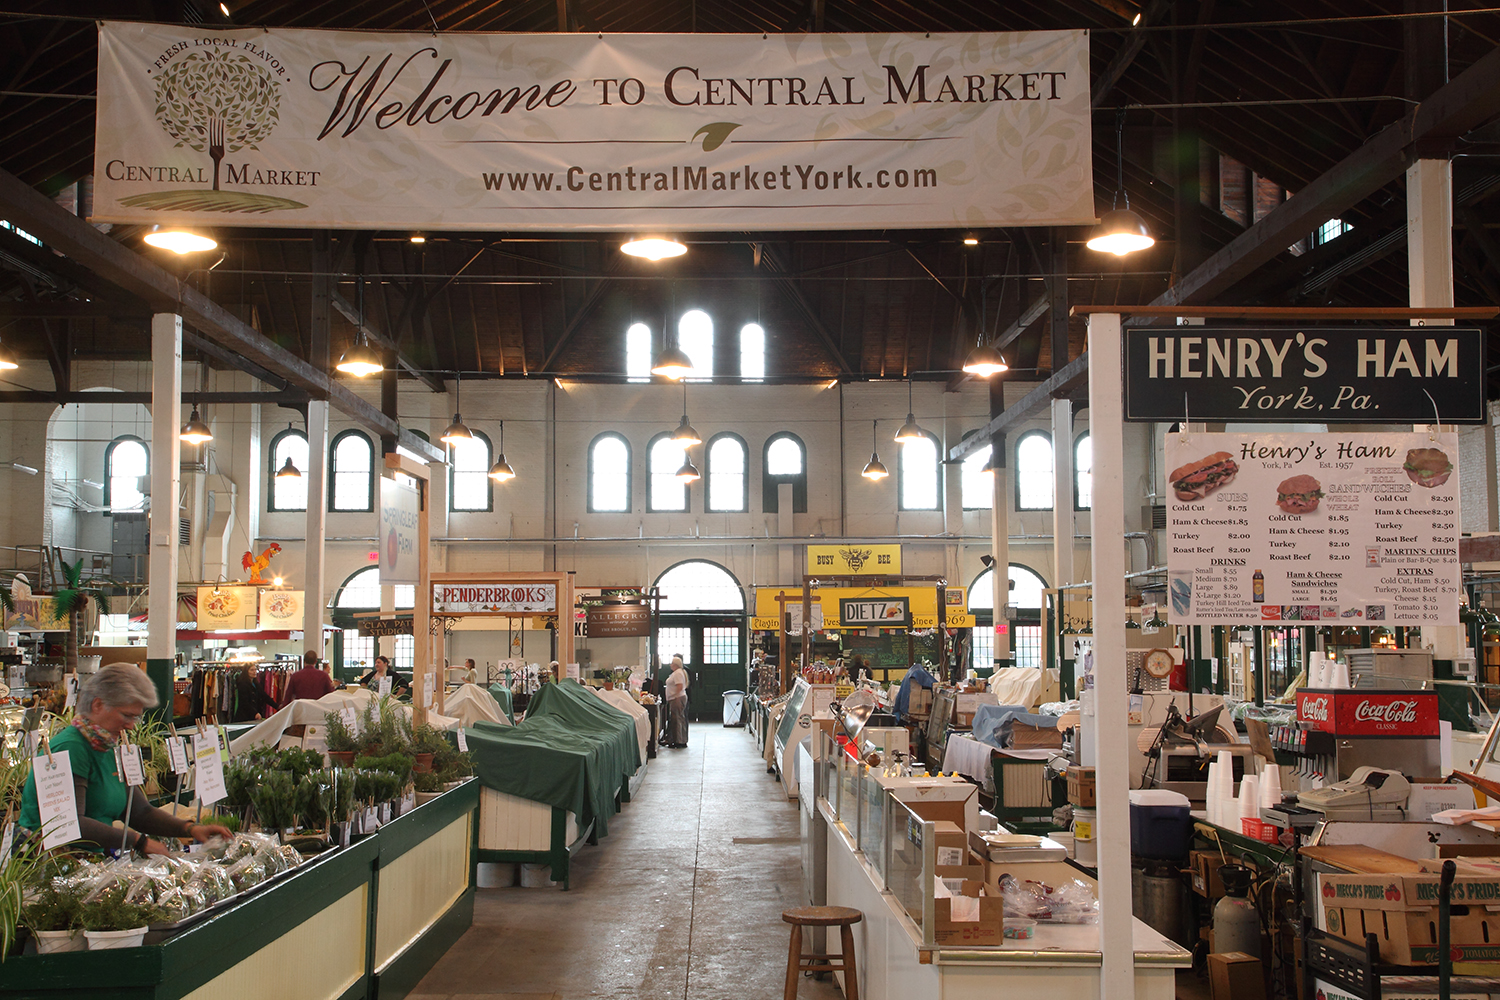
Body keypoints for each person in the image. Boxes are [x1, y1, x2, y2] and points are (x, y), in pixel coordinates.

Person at [18, 664, 234, 854]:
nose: (131, 725)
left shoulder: (105, 745)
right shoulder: (70, 748)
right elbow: (70, 825)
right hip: (52, 867)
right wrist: (138, 842)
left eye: (135, 717)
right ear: (98, 705)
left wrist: (189, 829)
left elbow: (139, 811)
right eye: (127, 715)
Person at [663, 655, 690, 748]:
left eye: (672, 663)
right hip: (676, 698)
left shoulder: (678, 673)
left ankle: (679, 740)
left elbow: (679, 686)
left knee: (677, 719)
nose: (670, 665)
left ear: (676, 664)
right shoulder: (677, 673)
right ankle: (679, 739)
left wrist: (674, 696)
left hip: (677, 698)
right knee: (678, 718)